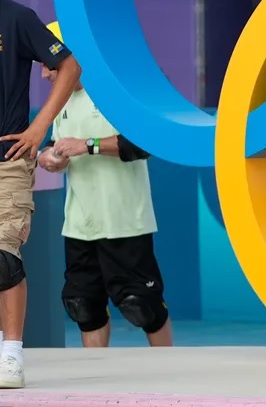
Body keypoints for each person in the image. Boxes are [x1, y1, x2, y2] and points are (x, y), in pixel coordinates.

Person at [36, 22, 172, 350]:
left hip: (125, 221)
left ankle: (171, 373)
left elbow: (143, 144)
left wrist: (88, 145)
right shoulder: (61, 102)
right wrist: (49, 158)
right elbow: (54, 147)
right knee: (84, 307)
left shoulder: (115, 95)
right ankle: (95, 382)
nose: (44, 74)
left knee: (143, 307)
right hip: (80, 226)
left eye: (47, 63)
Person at [0, 0, 80, 389]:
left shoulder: (16, 18)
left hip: (7, 160)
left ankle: (12, 354)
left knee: (4, 257)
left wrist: (39, 126)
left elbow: (69, 65)